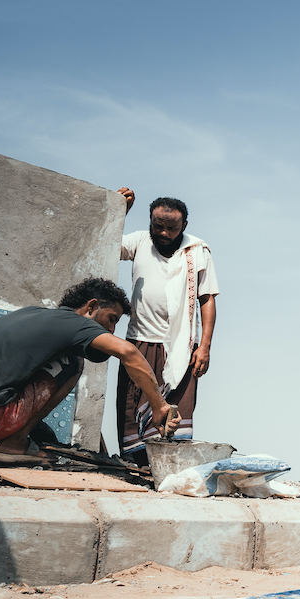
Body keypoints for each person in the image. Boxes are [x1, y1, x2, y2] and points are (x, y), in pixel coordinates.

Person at [0, 278, 179, 464]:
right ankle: (14, 443)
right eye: (112, 319)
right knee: (74, 362)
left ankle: (21, 436)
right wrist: (159, 406)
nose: (113, 329)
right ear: (92, 306)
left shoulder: (32, 313)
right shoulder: (76, 324)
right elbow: (128, 352)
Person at [114, 190, 219, 465]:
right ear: (150, 220)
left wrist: (205, 347)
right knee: (131, 413)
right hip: (138, 341)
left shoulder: (198, 251)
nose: (163, 233)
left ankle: (170, 473)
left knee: (178, 415)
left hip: (182, 347)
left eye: (171, 228)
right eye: (158, 226)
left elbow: (207, 299)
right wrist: (117, 212)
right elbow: (105, 245)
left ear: (183, 226)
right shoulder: (138, 241)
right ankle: (139, 473)